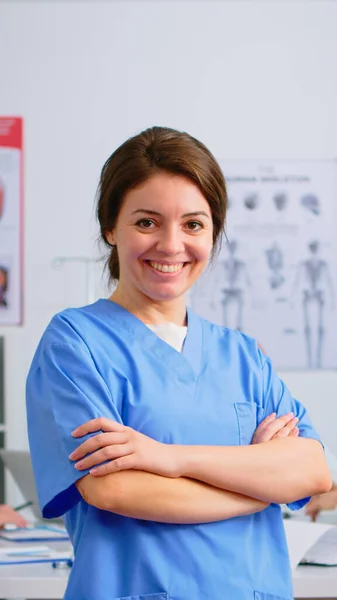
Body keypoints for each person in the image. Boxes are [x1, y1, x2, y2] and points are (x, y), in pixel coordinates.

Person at [26, 126, 331, 600]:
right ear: (110, 227)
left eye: (193, 224)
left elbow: (312, 471)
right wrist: (259, 485)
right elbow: (114, 490)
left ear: (212, 233)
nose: (171, 245)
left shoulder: (242, 355)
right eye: (147, 222)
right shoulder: (75, 343)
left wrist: (167, 458)